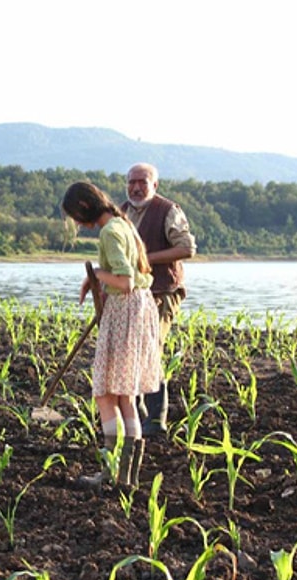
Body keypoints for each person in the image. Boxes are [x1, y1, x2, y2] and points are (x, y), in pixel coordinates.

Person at [61, 181, 162, 488]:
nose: (78, 224)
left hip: (125, 311)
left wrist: (95, 275)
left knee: (106, 394)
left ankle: (111, 472)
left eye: (76, 217)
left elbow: (125, 280)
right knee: (125, 397)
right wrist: (95, 281)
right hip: (137, 310)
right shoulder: (123, 224)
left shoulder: (110, 230)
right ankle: (125, 477)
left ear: (83, 208)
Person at [121, 162, 197, 437]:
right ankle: (139, 413)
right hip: (132, 292)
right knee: (131, 350)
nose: (136, 187)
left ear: (155, 185)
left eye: (143, 181)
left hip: (163, 290)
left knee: (150, 347)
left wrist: (146, 260)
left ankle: (156, 419)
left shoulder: (168, 211)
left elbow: (187, 248)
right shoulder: (122, 212)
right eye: (132, 182)